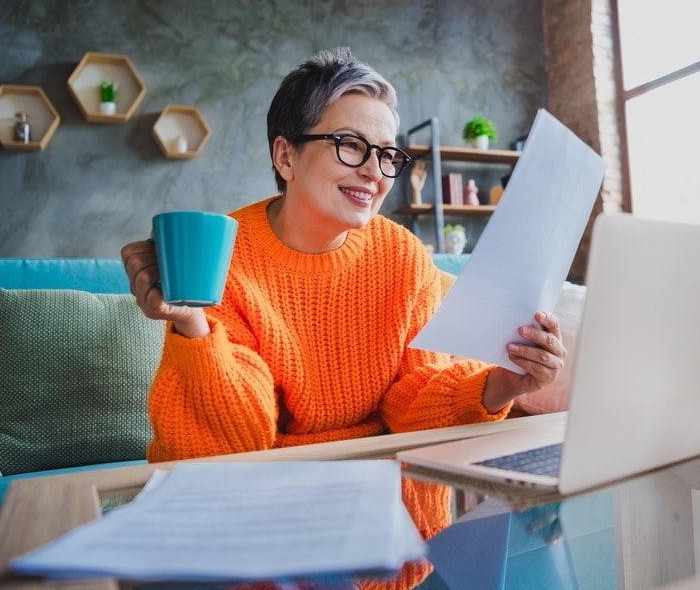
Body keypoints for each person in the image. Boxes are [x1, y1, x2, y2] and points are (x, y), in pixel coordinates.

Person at [120, 46, 567, 464]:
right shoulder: (222, 256)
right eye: (351, 145)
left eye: (387, 153)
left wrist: (504, 384)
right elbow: (237, 441)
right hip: (273, 484)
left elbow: (413, 399)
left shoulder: (403, 255)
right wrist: (193, 325)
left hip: (387, 484)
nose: (374, 171)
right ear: (285, 157)